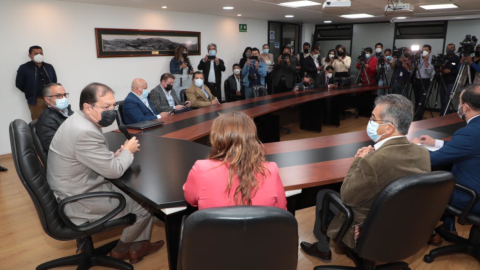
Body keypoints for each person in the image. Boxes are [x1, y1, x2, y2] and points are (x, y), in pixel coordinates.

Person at [301, 94, 431, 262]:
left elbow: (347, 196)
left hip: (368, 230)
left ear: (389, 128)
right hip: (405, 227)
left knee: (323, 194)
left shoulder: (373, 161)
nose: (369, 121)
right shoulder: (422, 153)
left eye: (373, 118)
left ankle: (322, 248)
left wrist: (359, 161)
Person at [47, 83, 164, 264]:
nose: (111, 111)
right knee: (144, 206)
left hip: (75, 185)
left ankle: (138, 247)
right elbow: (114, 171)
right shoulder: (85, 131)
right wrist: (128, 150)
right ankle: (121, 250)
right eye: (106, 107)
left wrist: (112, 155)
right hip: (79, 199)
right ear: (88, 107)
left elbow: (84, 155)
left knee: (137, 195)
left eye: (113, 106)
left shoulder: (77, 119)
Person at [412, 85, 480, 245]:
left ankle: (428, 233)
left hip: (473, 198)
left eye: (459, 102)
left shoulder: (469, 133)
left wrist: (417, 147)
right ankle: (449, 227)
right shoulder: (472, 134)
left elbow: (432, 160)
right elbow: (470, 148)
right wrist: (436, 142)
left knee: (427, 185)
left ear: (466, 107)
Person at [183, 111, 287, 210]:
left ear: (216, 138)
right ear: (252, 138)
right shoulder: (270, 169)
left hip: (215, 229)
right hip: (260, 229)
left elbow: (190, 199)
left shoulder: (201, 169)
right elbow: (281, 209)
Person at [16, 45, 57, 120]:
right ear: (30, 55)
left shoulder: (49, 67)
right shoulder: (24, 68)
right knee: (38, 122)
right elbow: (19, 84)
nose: (39, 55)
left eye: (41, 53)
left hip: (51, 100)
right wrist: (30, 92)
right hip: (36, 100)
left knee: (53, 121)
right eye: (36, 53)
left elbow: (54, 81)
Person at [36, 83, 74, 151]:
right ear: (48, 100)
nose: (64, 98)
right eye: (58, 95)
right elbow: (54, 147)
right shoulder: (46, 120)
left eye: (64, 95)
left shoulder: (68, 112)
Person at [413, 45, 434, 121]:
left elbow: (429, 70)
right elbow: (414, 67)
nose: (424, 51)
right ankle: (416, 114)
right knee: (416, 98)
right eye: (423, 50)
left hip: (425, 80)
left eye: (426, 50)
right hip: (417, 79)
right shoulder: (419, 57)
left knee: (421, 99)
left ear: (430, 51)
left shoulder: (431, 58)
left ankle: (419, 116)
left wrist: (426, 60)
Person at [440, 43, 461, 115]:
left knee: (447, 100)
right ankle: (442, 114)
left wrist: (450, 71)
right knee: (442, 100)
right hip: (442, 81)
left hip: (451, 81)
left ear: (454, 49)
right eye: (448, 48)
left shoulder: (457, 59)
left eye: (451, 48)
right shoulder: (443, 58)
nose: (449, 49)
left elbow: (460, 70)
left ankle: (445, 115)